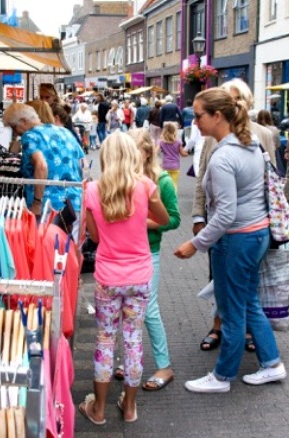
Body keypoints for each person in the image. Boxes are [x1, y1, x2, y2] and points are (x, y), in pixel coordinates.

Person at [174, 88, 286, 393]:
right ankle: (272, 363)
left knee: (232, 310)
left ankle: (222, 377)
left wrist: (195, 244)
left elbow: (224, 215)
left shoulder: (224, 157)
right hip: (256, 235)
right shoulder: (248, 145)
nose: (194, 122)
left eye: (198, 116)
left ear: (217, 116)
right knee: (248, 303)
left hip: (237, 240)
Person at [78, 132, 169, 425]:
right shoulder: (145, 186)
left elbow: (93, 236)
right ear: (132, 155)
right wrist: (138, 216)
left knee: (105, 340)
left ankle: (99, 410)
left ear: (105, 156)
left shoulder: (92, 189)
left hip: (107, 277)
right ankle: (129, 407)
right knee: (132, 340)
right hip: (139, 276)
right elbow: (165, 221)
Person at [196, 79, 268, 353]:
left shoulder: (260, 137)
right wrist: (198, 219)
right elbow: (203, 177)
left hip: (240, 232)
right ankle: (222, 329)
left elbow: (271, 182)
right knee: (230, 290)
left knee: (239, 297)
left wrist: (196, 243)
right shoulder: (212, 140)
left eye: (233, 98)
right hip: (228, 230)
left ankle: (226, 368)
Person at [128, 128, 180, 391]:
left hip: (149, 252)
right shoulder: (123, 178)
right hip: (123, 253)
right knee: (125, 310)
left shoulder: (163, 181)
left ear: (147, 151)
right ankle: (130, 359)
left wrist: (141, 223)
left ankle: (164, 365)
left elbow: (173, 220)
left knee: (149, 309)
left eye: (134, 149)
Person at [2, 103, 84, 235]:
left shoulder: (30, 136)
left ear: (23, 121)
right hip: (75, 202)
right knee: (70, 251)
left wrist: (37, 202)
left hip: (49, 207)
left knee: (48, 251)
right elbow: (82, 163)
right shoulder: (64, 131)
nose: (15, 132)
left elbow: (41, 165)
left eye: (14, 127)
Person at [221, 79, 276, 167]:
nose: (234, 103)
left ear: (248, 101)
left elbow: (271, 169)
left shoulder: (264, 133)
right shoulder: (213, 134)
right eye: (229, 99)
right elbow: (203, 173)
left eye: (238, 98)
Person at [158, 122, 188, 189]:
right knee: (174, 185)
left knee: (165, 184)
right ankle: (173, 197)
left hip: (165, 166)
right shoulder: (178, 142)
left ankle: (165, 197)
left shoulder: (162, 142)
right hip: (175, 167)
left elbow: (156, 151)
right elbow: (183, 154)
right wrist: (187, 153)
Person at [257, 109, 285, 176]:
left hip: (259, 155)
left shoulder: (256, 129)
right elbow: (278, 144)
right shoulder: (274, 129)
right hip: (272, 155)